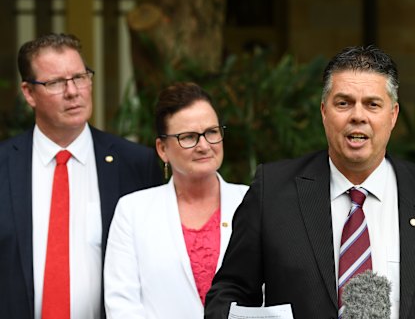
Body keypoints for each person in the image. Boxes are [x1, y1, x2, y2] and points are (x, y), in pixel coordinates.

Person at [205, 45, 415, 319]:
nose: (357, 116)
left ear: (393, 115)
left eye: (372, 105)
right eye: (343, 103)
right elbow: (228, 293)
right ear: (324, 112)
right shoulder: (272, 193)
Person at [0, 33, 163, 319]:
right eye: (56, 83)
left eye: (80, 77)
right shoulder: (4, 165)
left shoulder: (136, 164)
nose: (73, 91)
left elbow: (156, 264)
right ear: (28, 93)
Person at [104, 82, 248, 318]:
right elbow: (122, 305)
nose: (204, 146)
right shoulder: (132, 211)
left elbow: (269, 291)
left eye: (212, 132)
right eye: (189, 137)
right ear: (162, 149)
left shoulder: (252, 202)